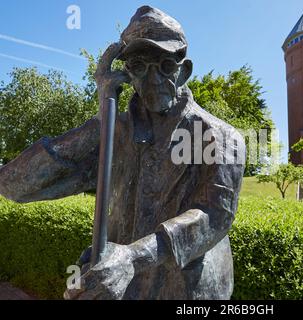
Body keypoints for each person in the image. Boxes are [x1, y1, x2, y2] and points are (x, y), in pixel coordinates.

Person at [0, 6, 245, 300]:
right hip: (122, 289)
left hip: (188, 293)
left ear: (185, 72)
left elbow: (214, 216)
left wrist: (132, 257)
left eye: (166, 65)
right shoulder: (113, 133)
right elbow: (14, 186)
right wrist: (102, 118)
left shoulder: (220, 137)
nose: (153, 79)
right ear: (126, 73)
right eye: (139, 66)